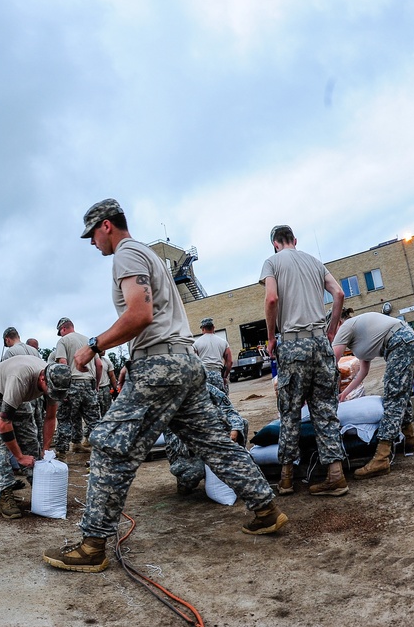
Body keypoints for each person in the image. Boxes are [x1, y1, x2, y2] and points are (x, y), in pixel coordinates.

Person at [43, 199, 286, 574]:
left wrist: (92, 347)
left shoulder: (126, 254)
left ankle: (92, 546)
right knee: (216, 444)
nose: (92, 244)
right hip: (186, 363)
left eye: (92, 234)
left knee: (109, 443)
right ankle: (266, 510)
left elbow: (140, 314)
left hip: (159, 365)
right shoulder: (150, 258)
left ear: (106, 226)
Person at [261, 224, 348, 497]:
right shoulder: (314, 261)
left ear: (275, 243)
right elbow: (339, 293)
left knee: (290, 412)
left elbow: (272, 298)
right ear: (294, 240)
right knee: (325, 410)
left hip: (293, 343)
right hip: (321, 342)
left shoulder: (272, 262)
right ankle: (336, 476)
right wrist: (332, 327)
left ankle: (287, 479)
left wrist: (271, 337)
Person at [0, 357, 70, 519]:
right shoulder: (20, 379)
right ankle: (5, 493)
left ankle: (39, 483)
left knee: (29, 438)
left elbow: (50, 418)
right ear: (43, 378)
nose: (53, 395)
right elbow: (3, 424)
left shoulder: (55, 382)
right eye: (51, 391)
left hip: (18, 395)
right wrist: (19, 457)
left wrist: (46, 448)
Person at [332, 311, 414, 477]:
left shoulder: (345, 327)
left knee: (393, 395)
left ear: (337, 323)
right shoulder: (360, 336)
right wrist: (344, 394)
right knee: (400, 392)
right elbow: (363, 372)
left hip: (399, 340)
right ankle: (409, 440)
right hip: (403, 338)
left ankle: (381, 458)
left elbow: (331, 362)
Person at [167, 383, 250, 495]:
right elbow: (173, 440)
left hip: (214, 442)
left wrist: (234, 430)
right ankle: (184, 482)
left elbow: (230, 411)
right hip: (189, 452)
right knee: (194, 472)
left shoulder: (209, 389)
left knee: (242, 423)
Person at [51, 318, 103, 456]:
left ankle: (61, 451)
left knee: (64, 418)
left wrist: (63, 388)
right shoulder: (88, 341)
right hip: (89, 384)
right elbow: (99, 365)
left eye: (60, 332)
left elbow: (63, 363)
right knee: (93, 420)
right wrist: (96, 385)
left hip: (72, 384)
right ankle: (101, 449)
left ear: (63, 329)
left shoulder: (63, 341)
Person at [1, 326, 45, 451]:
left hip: (22, 394)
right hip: (37, 392)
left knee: (22, 427)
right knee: (37, 422)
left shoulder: (10, 352)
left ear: (7, 339)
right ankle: (40, 451)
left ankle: (20, 455)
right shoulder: (33, 350)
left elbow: (7, 377)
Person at [192, 317, 232, 395]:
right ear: (213, 328)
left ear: (203, 329)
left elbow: (194, 363)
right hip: (217, 374)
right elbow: (230, 362)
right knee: (221, 401)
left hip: (204, 376)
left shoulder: (196, 344)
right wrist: (224, 377)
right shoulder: (223, 342)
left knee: (207, 402)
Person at [96, 351, 117, 416]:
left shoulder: (107, 361)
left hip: (105, 388)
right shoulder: (90, 361)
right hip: (95, 389)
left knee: (107, 410)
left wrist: (115, 389)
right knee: (95, 410)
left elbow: (112, 376)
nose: (104, 350)